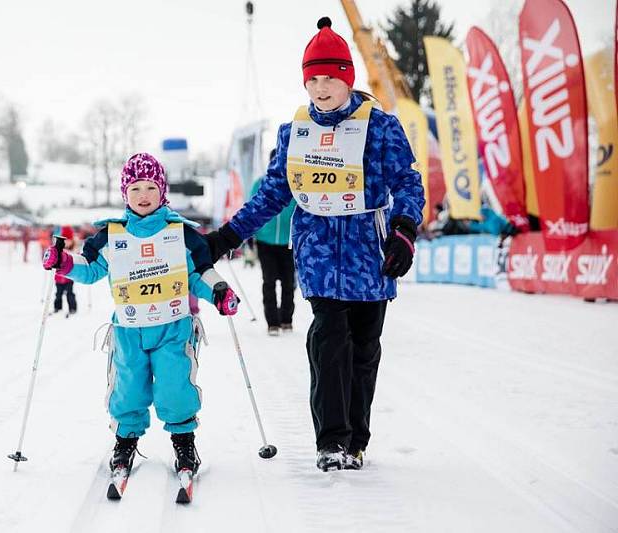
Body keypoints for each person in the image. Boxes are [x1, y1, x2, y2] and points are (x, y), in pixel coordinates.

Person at [205, 18, 424, 471]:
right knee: (328, 342)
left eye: (330, 78)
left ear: (348, 78)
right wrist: (227, 237)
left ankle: (356, 440)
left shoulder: (380, 127)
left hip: (370, 255)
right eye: (313, 79)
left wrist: (404, 228)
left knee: (364, 350)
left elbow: (408, 181)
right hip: (319, 254)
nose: (321, 88)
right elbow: (271, 194)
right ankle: (332, 441)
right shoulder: (294, 133)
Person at [42, 153, 240, 479]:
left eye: (150, 187)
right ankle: (125, 441)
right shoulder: (111, 236)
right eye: (135, 188)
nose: (143, 195)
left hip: (173, 328)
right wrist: (62, 263)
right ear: (125, 194)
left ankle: (184, 442)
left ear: (162, 191)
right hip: (129, 329)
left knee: (176, 386)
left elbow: (199, 273)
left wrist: (220, 292)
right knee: (128, 388)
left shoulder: (180, 233)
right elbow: (90, 269)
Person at [251, 149, 297, 336]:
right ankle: (272, 322)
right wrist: (249, 234)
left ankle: (286, 319)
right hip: (265, 240)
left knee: (288, 282)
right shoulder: (260, 183)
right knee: (269, 281)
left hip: (288, 241)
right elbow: (252, 208)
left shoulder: (295, 183)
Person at [53, 225, 78, 316]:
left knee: (69, 293)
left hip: (69, 277)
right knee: (58, 294)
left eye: (68, 241)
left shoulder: (73, 251)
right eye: (65, 241)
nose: (66, 243)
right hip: (59, 277)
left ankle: (72, 308)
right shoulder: (58, 250)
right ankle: (57, 308)